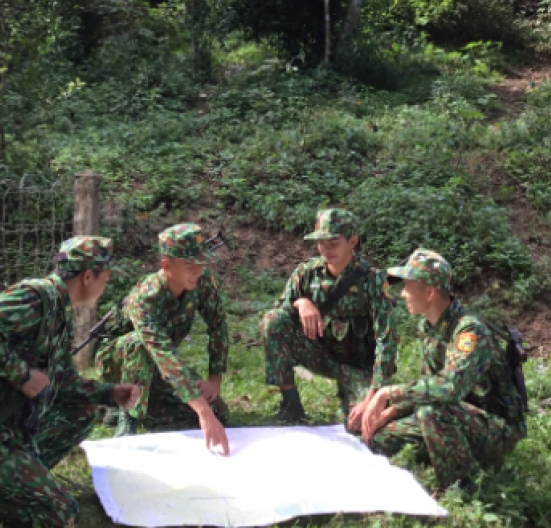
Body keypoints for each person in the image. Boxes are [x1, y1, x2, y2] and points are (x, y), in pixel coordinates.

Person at [0, 237, 141, 528]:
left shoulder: (59, 309)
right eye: (104, 278)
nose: (105, 287)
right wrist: (22, 375)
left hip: (14, 432)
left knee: (82, 410)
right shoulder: (36, 298)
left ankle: (12, 479)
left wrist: (110, 393)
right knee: (60, 515)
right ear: (88, 276)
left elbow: (61, 381)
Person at [357, 249, 524, 492]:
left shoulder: (469, 331)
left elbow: (448, 388)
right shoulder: (430, 325)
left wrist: (388, 394)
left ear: (429, 292)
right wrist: (393, 411)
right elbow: (429, 384)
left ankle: (463, 487)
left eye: (407, 287)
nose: (402, 294)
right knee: (380, 436)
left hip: (495, 428)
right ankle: (446, 453)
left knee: (431, 412)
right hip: (456, 416)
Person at [96, 223, 231, 455]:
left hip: (159, 366)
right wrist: (202, 411)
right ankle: (127, 416)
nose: (197, 271)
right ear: (166, 265)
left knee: (218, 411)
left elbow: (218, 327)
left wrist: (214, 380)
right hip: (117, 364)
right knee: (138, 343)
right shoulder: (145, 297)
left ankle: (132, 406)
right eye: (190, 265)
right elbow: (160, 351)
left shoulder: (202, 282)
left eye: (201, 262)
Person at [259, 208, 397, 425]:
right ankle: (290, 404)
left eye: (333, 242)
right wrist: (300, 302)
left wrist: (375, 391)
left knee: (360, 422)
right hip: (320, 355)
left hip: (357, 366)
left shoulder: (373, 280)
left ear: (352, 241)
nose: (326, 249)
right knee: (273, 320)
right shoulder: (307, 272)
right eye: (321, 242)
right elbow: (279, 310)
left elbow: (386, 338)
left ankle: (351, 397)